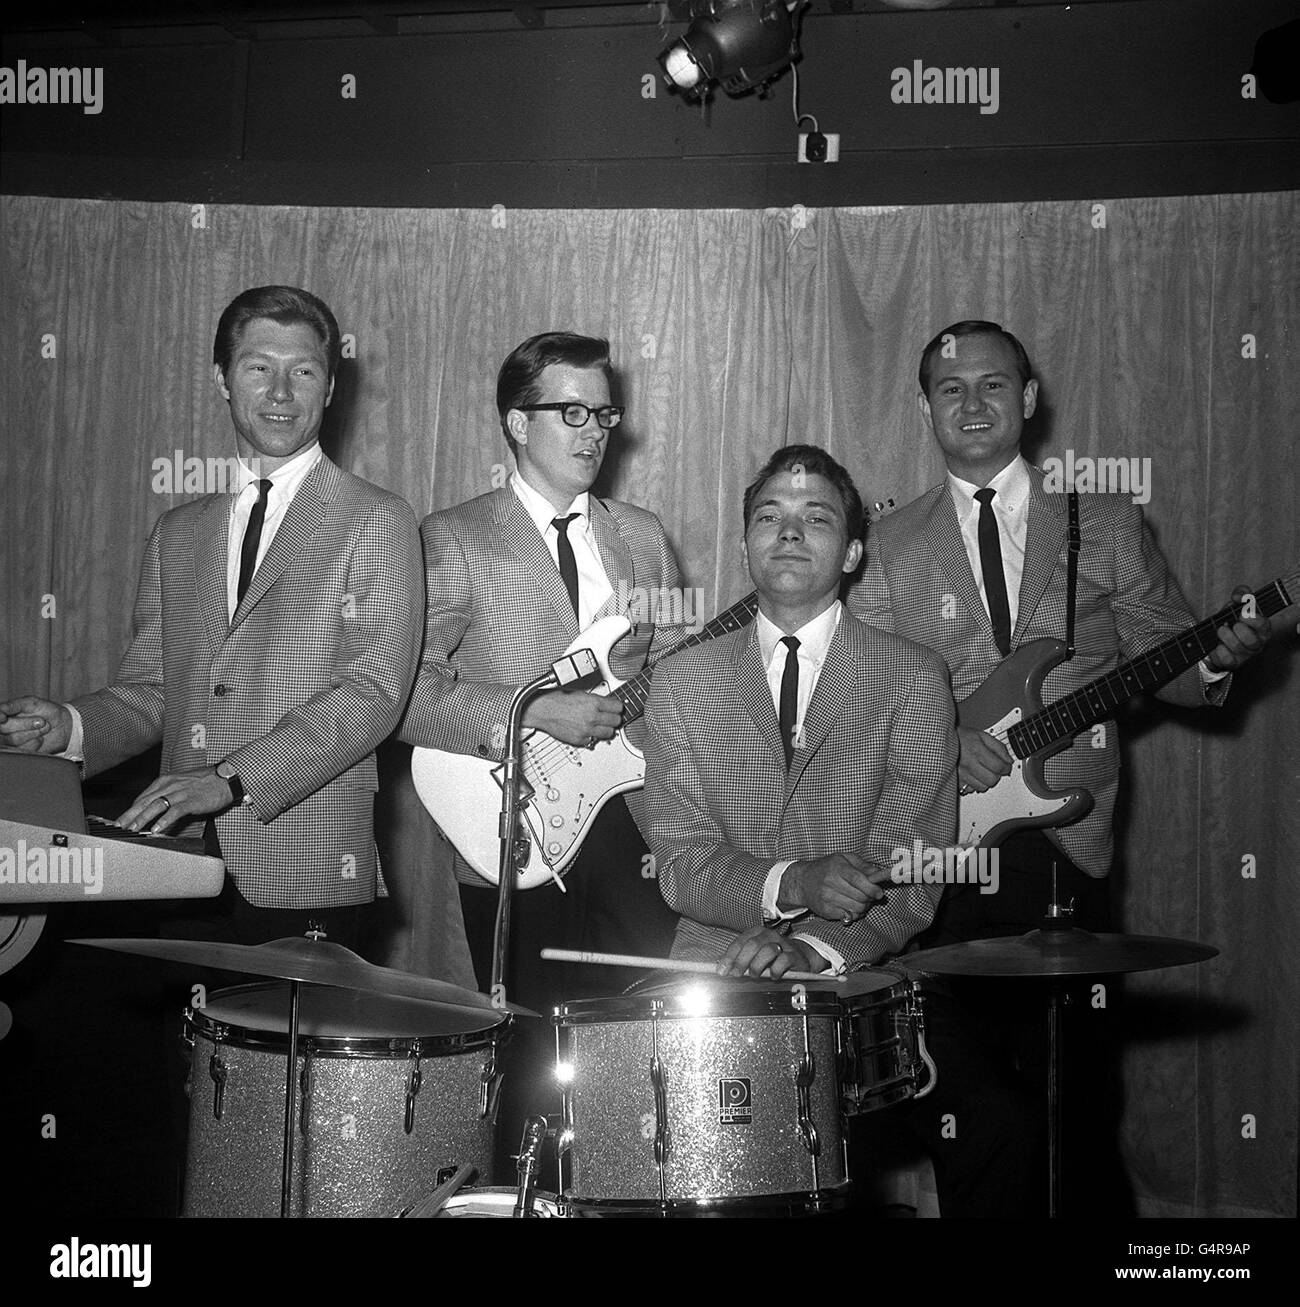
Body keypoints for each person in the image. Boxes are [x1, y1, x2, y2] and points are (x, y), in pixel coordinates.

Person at [847, 319, 1272, 1214]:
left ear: (1029, 401)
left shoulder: (1106, 521)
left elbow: (1176, 668)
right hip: (937, 853)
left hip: (1064, 852)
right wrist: (935, 738)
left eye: (994, 384)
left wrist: (1220, 657)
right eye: (951, 387)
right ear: (925, 406)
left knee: (1076, 1101)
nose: (972, 403)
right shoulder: (884, 542)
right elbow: (858, 695)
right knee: (972, 1107)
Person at [645, 446, 1043, 1217]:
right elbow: (682, 864)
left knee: (1005, 1128)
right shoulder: (682, 679)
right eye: (770, 516)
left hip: (867, 979)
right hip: (714, 970)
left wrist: (812, 948)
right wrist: (791, 881)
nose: (789, 532)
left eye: (815, 518)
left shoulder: (912, 676)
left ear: (854, 551)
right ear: (744, 544)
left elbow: (914, 871)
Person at [0, 285, 423, 946]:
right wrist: (73, 726)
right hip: (182, 863)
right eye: (259, 367)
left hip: (304, 872)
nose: (281, 391)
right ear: (221, 380)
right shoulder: (178, 533)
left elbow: (371, 696)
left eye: (303, 370)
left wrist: (227, 780)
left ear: (331, 387)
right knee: (186, 1053)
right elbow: (155, 693)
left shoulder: (376, 518)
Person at [398, 331, 685, 1171]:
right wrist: (533, 714)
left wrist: (655, 678)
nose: (593, 429)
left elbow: (667, 682)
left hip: (636, 821)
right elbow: (404, 691)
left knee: (639, 1046)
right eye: (571, 411)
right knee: (531, 1060)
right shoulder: (451, 536)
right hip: (513, 823)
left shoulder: (642, 535)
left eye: (603, 411)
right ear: (516, 424)